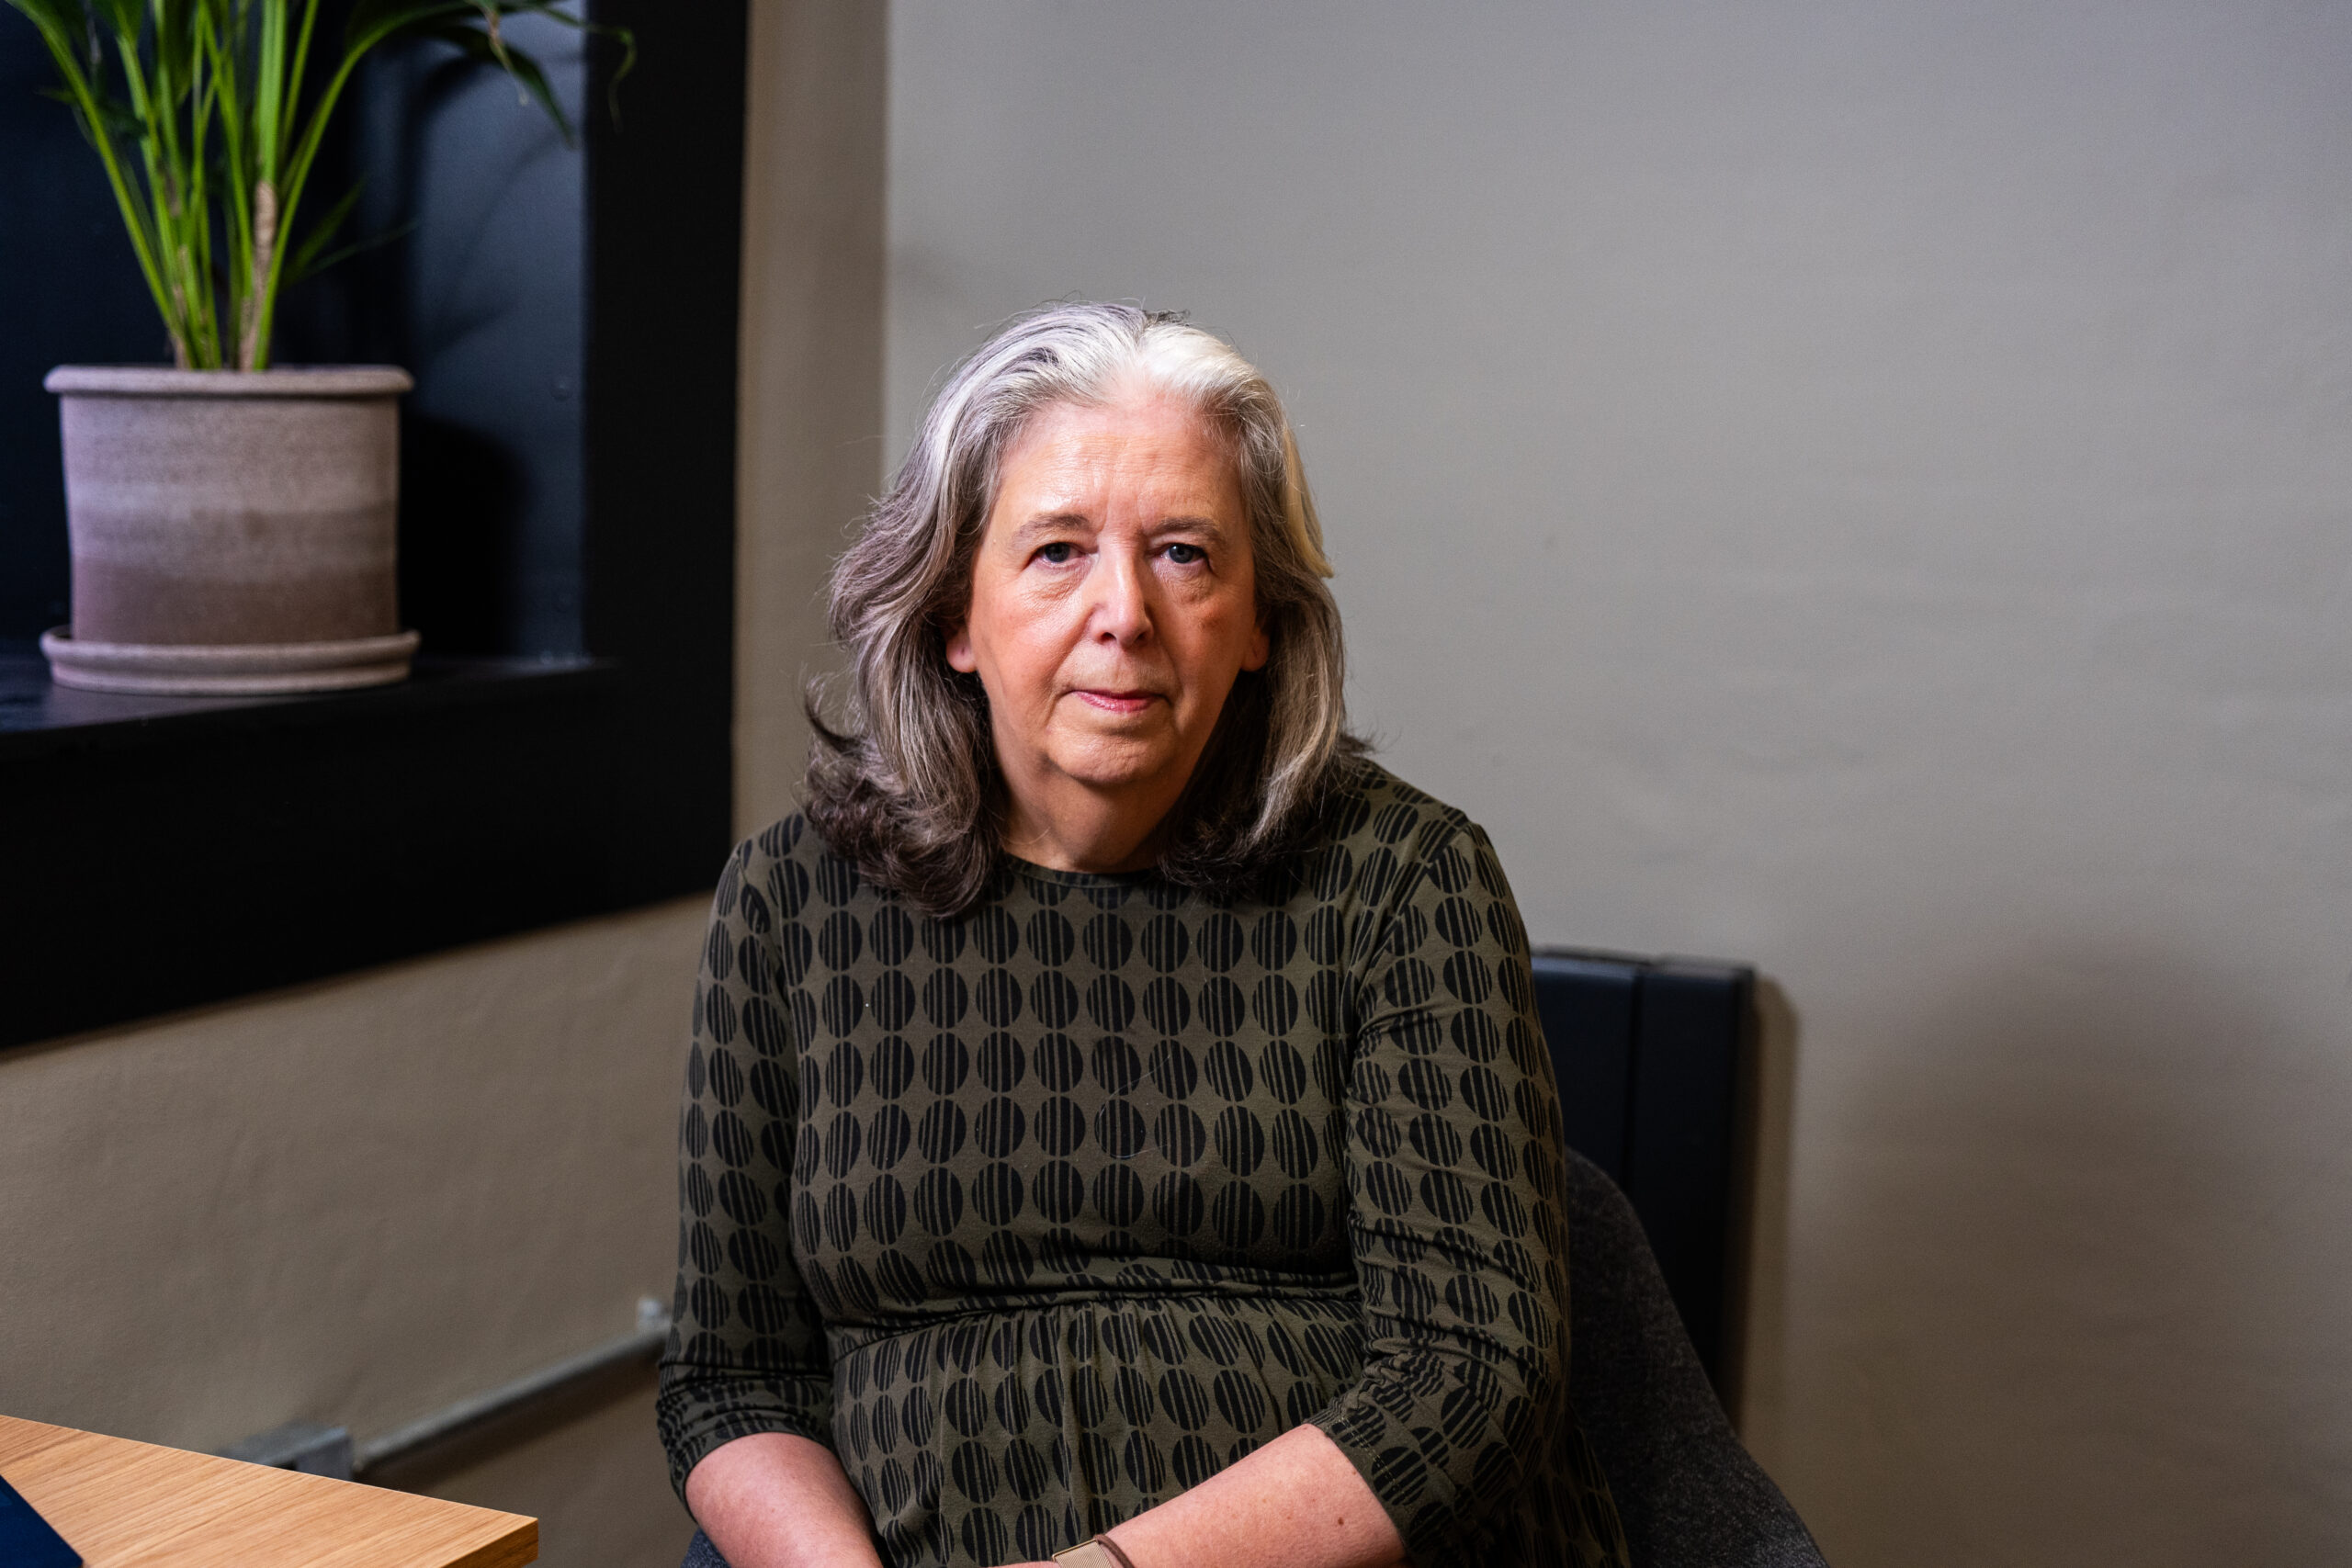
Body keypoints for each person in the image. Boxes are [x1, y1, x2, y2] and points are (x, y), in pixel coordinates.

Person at [656, 303, 1629, 1568]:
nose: (1124, 612)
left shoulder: (1405, 881)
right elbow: (733, 1379)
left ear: (1260, 620)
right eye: (1058, 550)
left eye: (1183, 553)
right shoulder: (789, 905)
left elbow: (1474, 1369)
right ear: (955, 615)